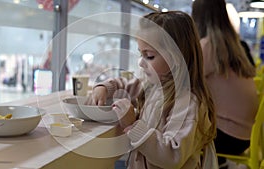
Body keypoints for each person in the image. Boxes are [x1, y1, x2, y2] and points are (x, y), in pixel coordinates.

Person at [88, 11, 218, 169]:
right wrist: (105, 88)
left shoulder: (188, 103)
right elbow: (124, 85)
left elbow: (172, 156)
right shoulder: (153, 85)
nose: (141, 63)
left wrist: (132, 125)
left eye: (149, 56)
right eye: (140, 54)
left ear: (176, 58)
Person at [191, 0, 259, 168]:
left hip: (226, 137)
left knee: (171, 132)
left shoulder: (207, 47)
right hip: (246, 136)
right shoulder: (234, 46)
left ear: (197, 18)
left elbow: (183, 84)